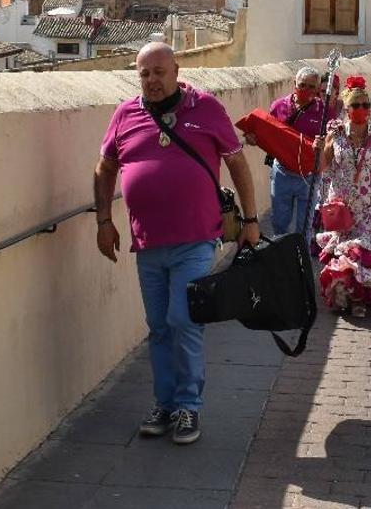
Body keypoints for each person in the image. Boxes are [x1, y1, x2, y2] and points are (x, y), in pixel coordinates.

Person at [93, 42, 258, 446]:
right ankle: (164, 405)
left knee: (184, 321)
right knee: (160, 328)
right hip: (147, 242)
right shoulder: (125, 114)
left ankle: (188, 406)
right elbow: (105, 166)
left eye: (159, 72)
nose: (152, 80)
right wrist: (103, 221)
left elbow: (237, 162)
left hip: (195, 241)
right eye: (144, 73)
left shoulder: (206, 109)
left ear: (177, 70)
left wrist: (251, 220)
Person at [315, 78, 371, 317]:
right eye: (356, 105)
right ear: (347, 108)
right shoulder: (336, 133)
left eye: (365, 105)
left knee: (359, 251)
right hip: (341, 205)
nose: (361, 109)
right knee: (343, 252)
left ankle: (359, 299)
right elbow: (323, 166)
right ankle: (345, 296)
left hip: (370, 204)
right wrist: (319, 149)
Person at [249, 67, 328, 239]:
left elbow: (332, 143)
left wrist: (323, 144)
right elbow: (269, 136)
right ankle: (283, 260)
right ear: (294, 84)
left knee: (304, 228)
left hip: (309, 176)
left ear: (317, 89)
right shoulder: (279, 106)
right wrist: (255, 139)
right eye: (302, 85)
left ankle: (302, 263)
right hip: (282, 174)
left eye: (311, 87)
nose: (306, 90)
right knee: (279, 223)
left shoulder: (324, 112)